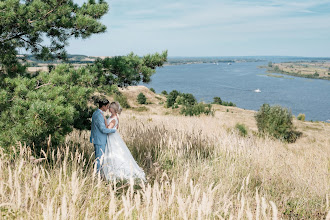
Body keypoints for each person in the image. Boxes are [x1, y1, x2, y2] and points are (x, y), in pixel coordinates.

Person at [102, 101, 146, 181]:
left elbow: (108, 129)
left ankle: (117, 173)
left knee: (115, 153)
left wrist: (104, 120)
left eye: (110, 107)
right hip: (112, 137)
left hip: (112, 138)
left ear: (113, 109)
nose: (109, 108)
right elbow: (116, 127)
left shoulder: (114, 118)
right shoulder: (113, 116)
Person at [90, 99, 117, 173]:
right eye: (107, 106)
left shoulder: (96, 113)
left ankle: (99, 174)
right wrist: (114, 130)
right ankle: (97, 176)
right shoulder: (99, 115)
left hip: (98, 139)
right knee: (99, 159)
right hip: (100, 140)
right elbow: (103, 130)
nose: (108, 108)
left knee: (99, 158)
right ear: (103, 106)